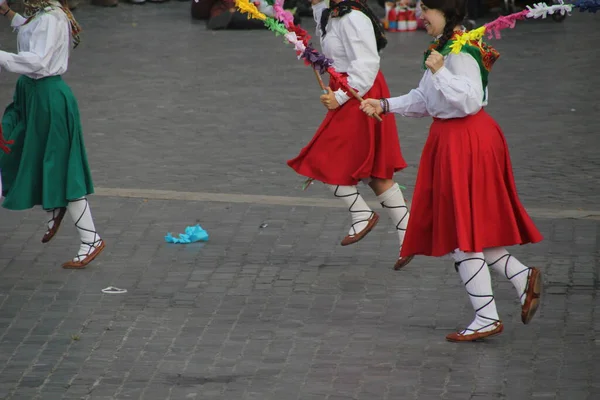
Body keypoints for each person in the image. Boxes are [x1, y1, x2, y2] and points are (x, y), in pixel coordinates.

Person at [360, 0, 543, 342]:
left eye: (425, 8)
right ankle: (520, 277)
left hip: (465, 140)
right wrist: (385, 105)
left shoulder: (459, 50)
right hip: (453, 139)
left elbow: (470, 99)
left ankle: (487, 314)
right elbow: (426, 99)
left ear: (444, 10)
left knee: (461, 230)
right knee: (466, 228)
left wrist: (442, 70)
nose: (419, 14)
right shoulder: (445, 47)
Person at [287, 0, 413, 270]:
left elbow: (367, 65)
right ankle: (408, 237)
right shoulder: (330, 12)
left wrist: (341, 96)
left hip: (359, 94)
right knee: (373, 173)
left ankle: (361, 213)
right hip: (347, 91)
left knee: (323, 158)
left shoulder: (353, 17)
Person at [0, 0, 105, 269]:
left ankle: (90, 238)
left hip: (48, 99)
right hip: (33, 96)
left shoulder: (51, 17)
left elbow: (38, 60)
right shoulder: (43, 14)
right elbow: (29, 32)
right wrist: (8, 13)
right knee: (14, 150)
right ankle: (57, 207)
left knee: (60, 166)